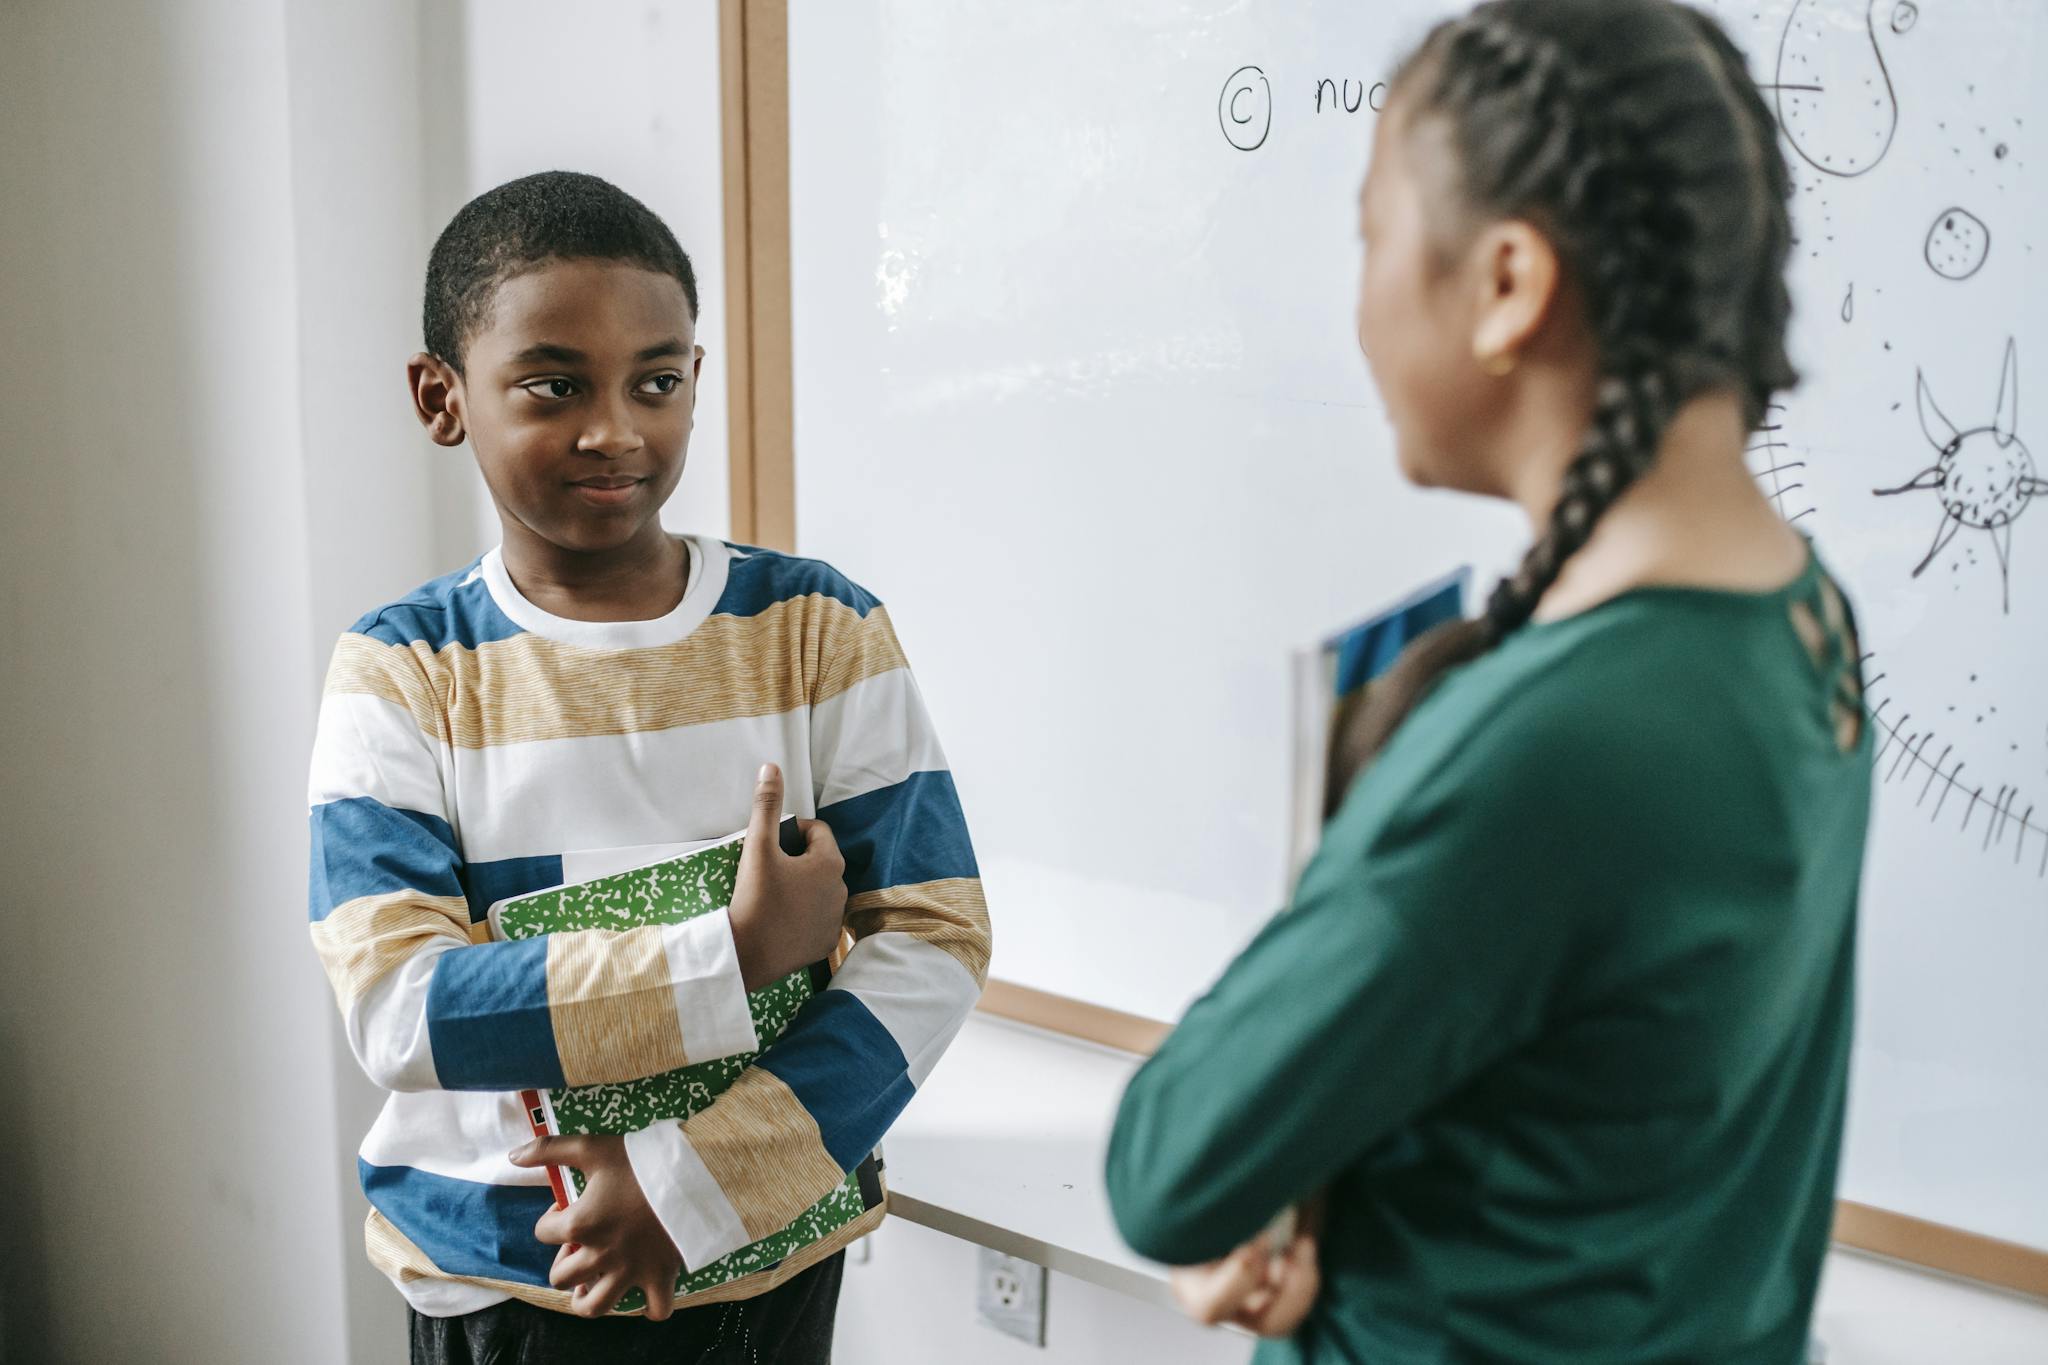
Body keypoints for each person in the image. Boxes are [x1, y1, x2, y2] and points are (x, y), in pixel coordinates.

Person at [1105, 2, 1871, 1361]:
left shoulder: (1551, 746)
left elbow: (1168, 1166)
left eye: (1370, 236)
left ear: (1510, 283)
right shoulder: (1801, 619)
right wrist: (1323, 1200)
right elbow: (1575, 1104)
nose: (1357, 296)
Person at [305, 170, 989, 1363]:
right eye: (554, 384)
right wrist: (729, 954)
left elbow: (934, 938)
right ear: (442, 396)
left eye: (657, 381)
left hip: (770, 1260)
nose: (615, 428)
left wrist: (689, 1187)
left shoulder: (818, 632)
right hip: (509, 1286)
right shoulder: (404, 670)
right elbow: (399, 1009)